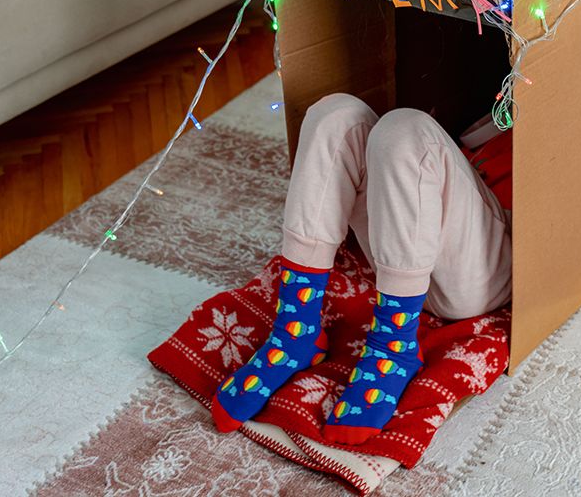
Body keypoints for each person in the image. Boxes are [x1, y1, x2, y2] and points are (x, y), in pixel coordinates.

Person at [210, 93, 512, 444]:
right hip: (408, 252)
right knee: (336, 114)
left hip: (487, 266)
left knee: (404, 128)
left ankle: (393, 347)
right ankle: (295, 330)